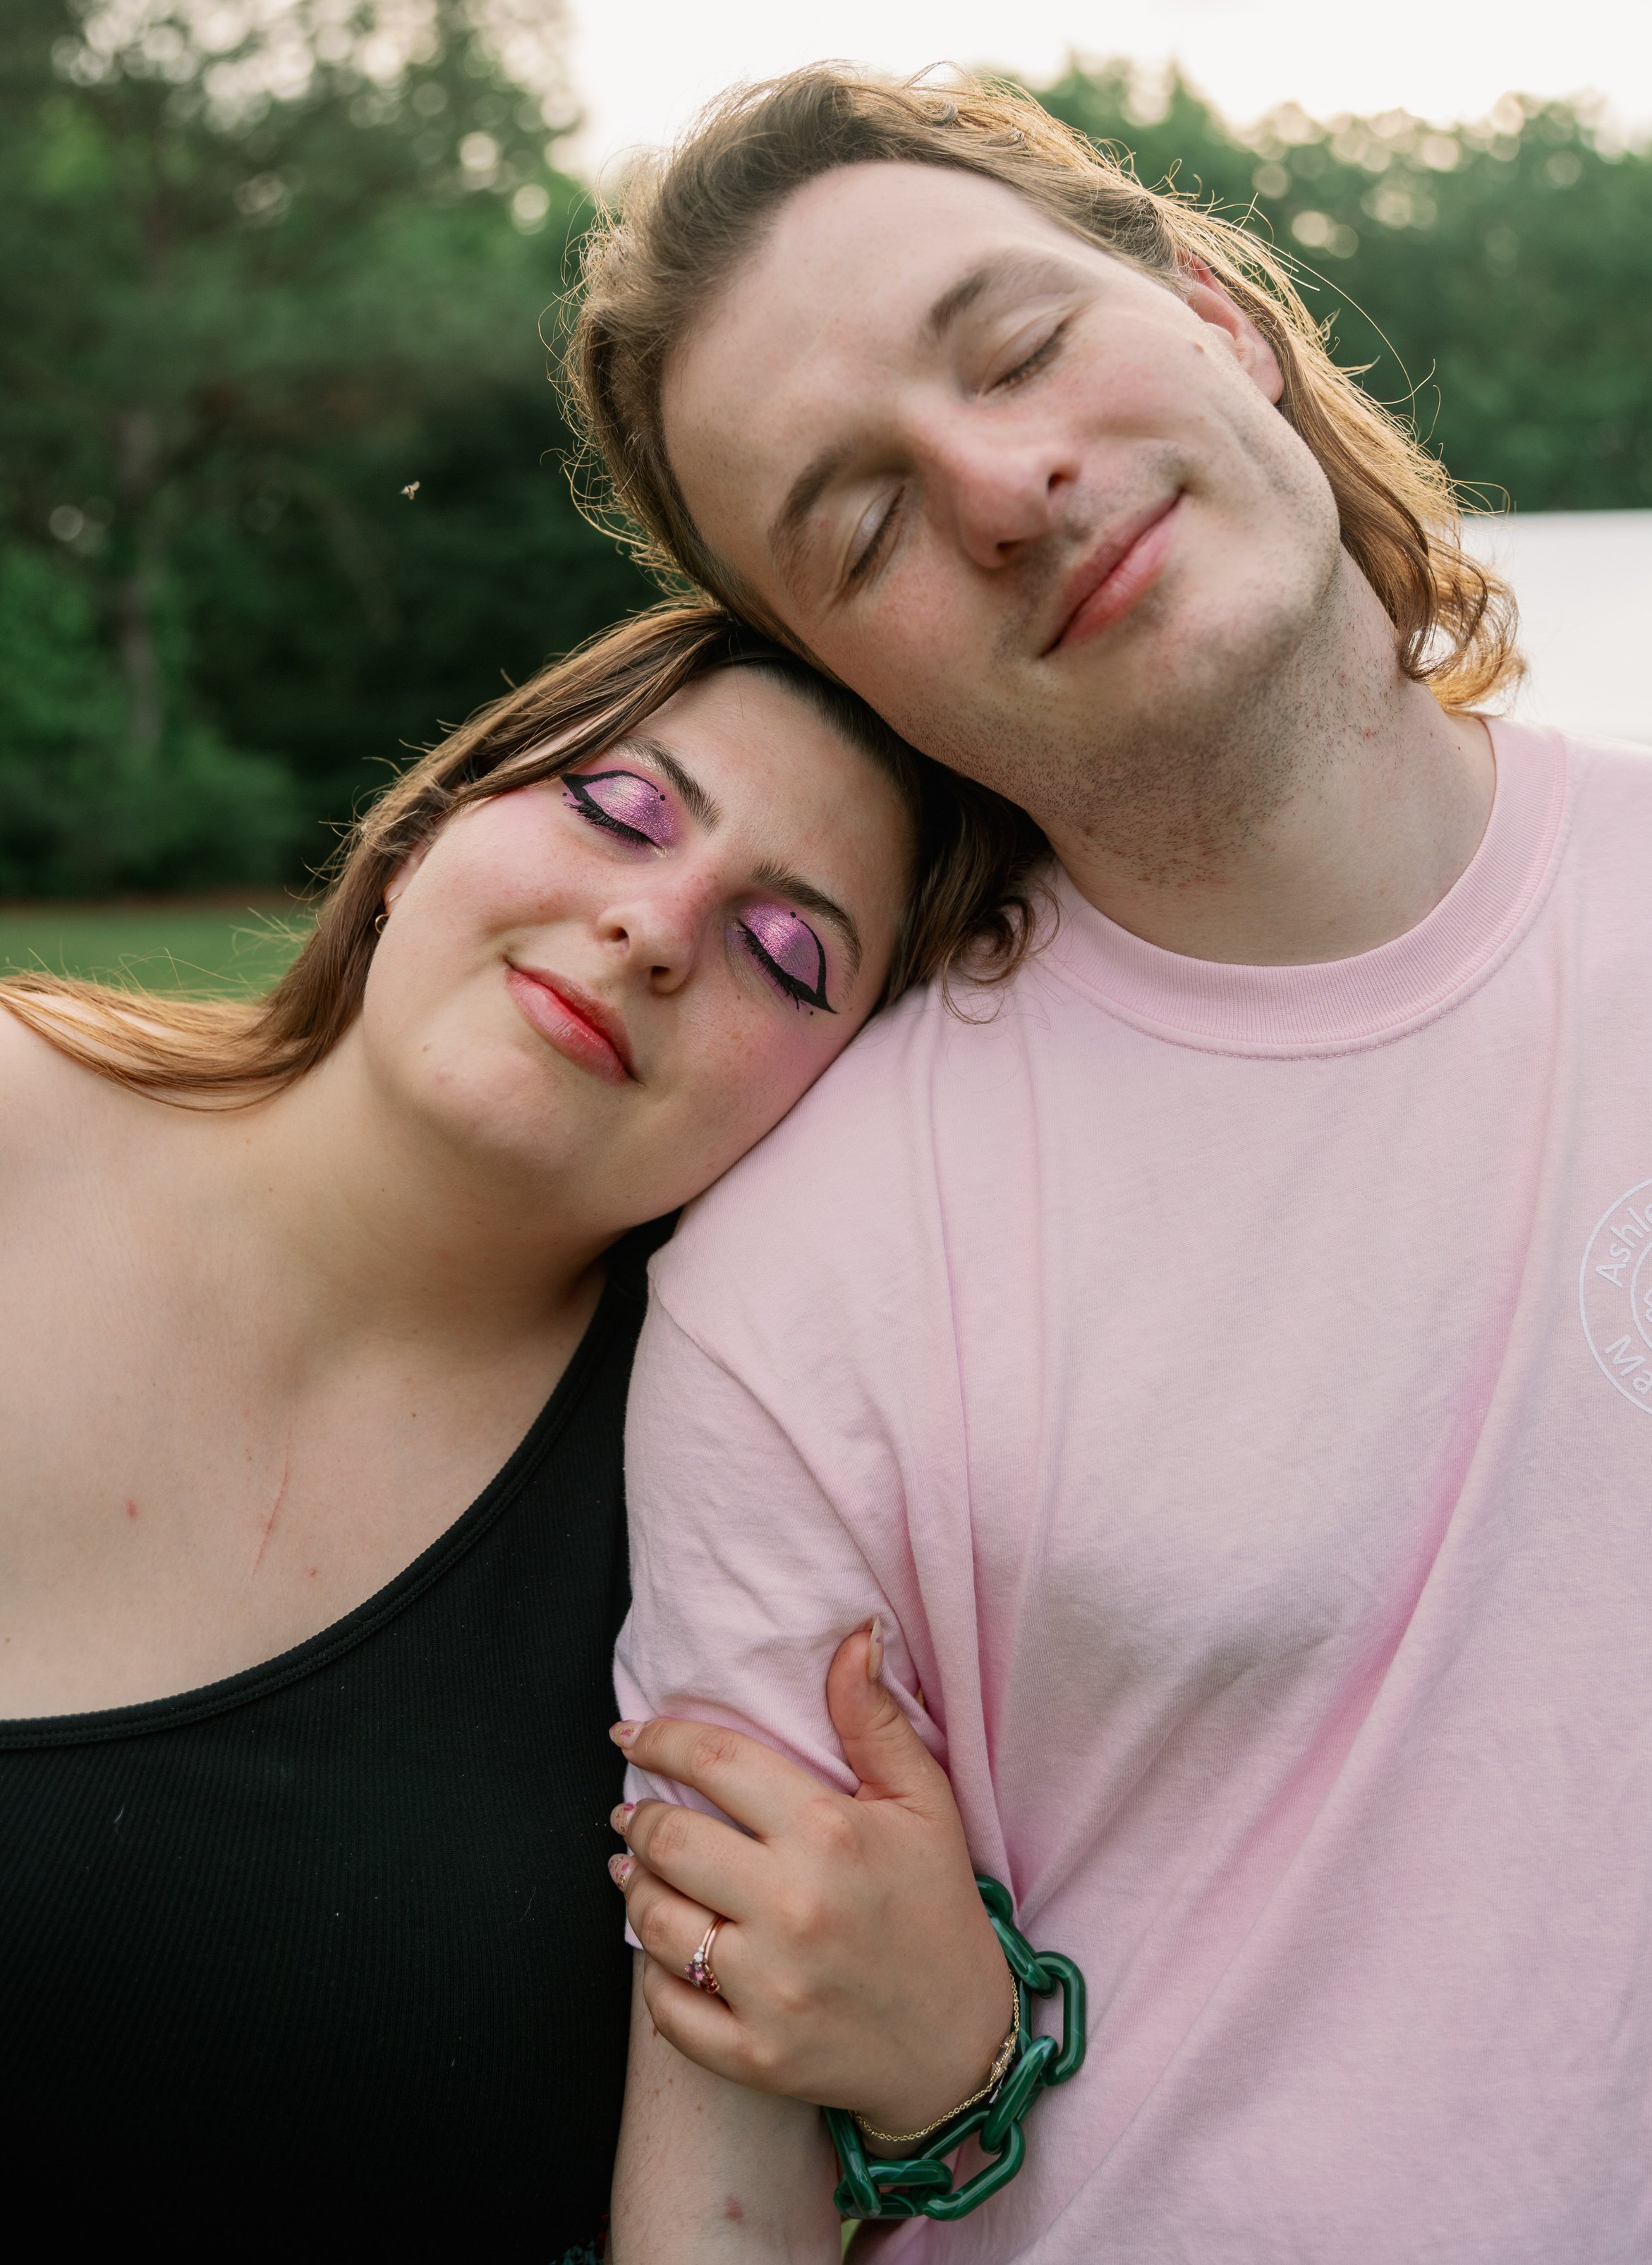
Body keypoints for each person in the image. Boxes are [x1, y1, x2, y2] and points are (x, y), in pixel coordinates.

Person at [575, 68, 1652, 2261]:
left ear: (1217, 313)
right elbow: (723, 2185)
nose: (1005, 485)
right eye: (857, 523)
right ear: (848, 677)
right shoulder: (802, 1279)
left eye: (1014, 346)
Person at [0, 601, 1035, 2264]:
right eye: (620, 809)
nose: (653, 926)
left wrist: (946, 2079)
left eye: (789, 952)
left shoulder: (743, 1523)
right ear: (423, 832)